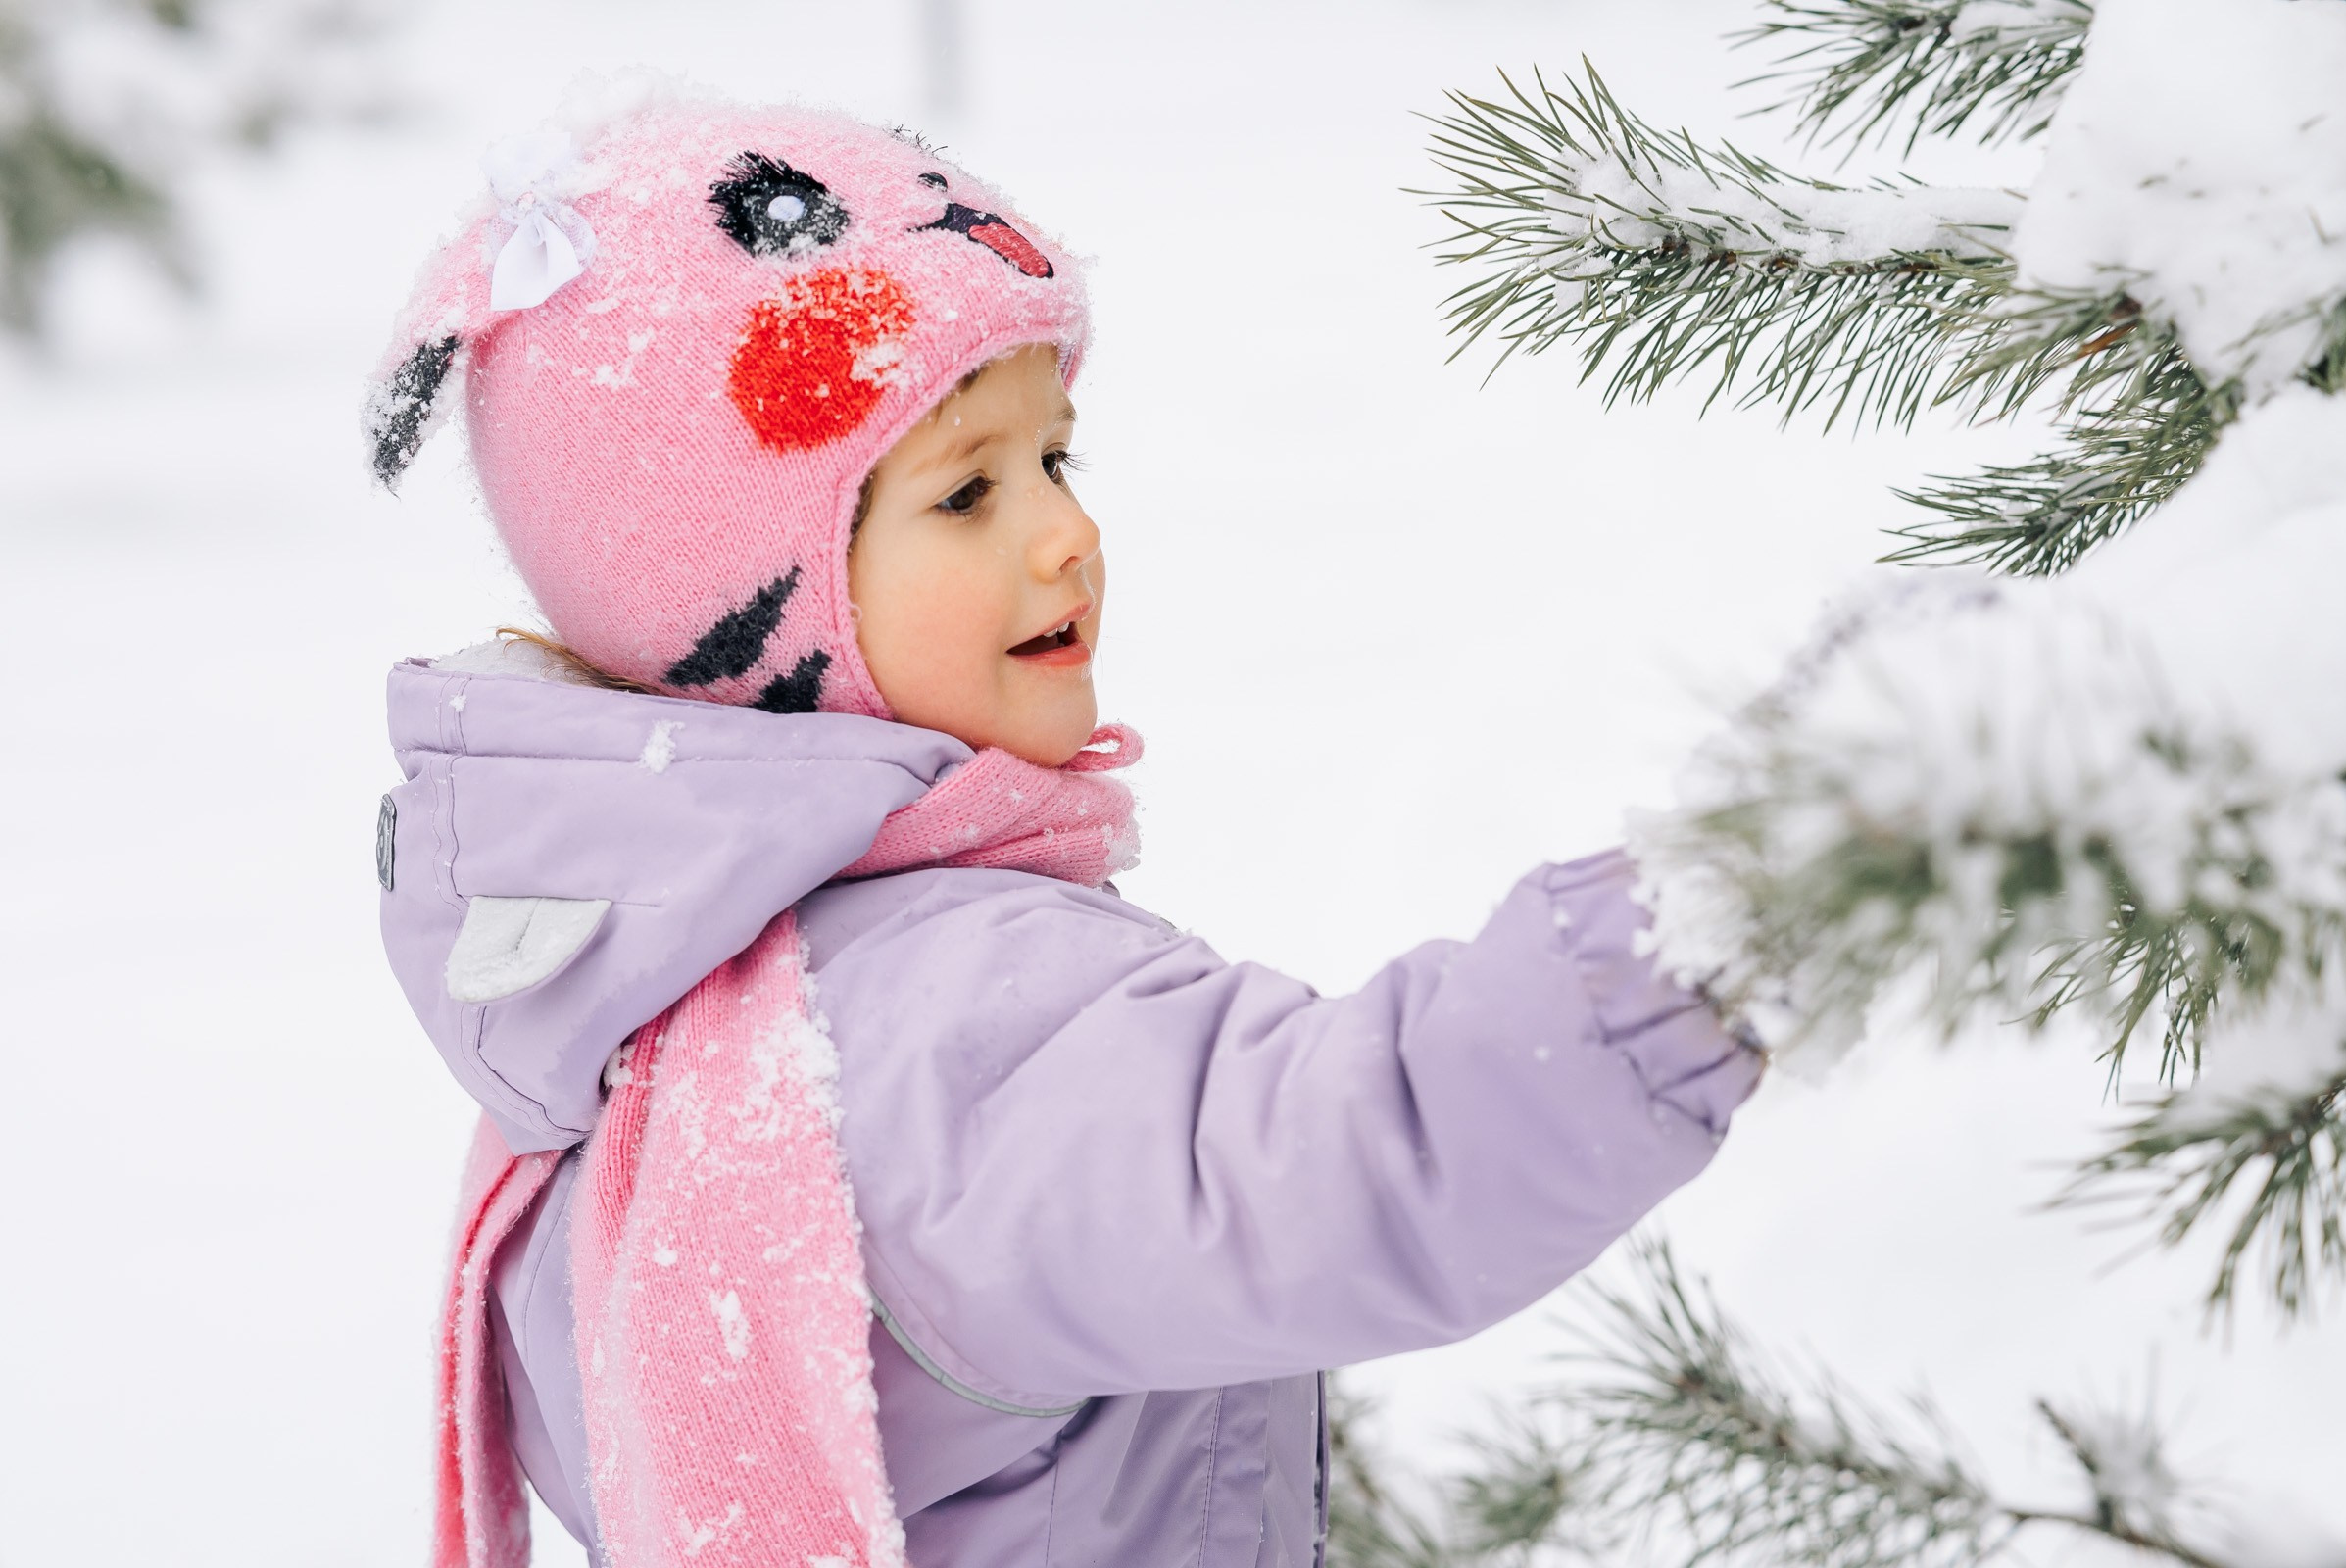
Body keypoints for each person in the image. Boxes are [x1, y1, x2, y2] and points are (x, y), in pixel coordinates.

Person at [371, 85, 1764, 1568]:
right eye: (966, 490)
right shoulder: (931, 1029)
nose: (1066, 534)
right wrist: (1733, 908)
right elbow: (1324, 1163)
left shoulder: (642, 983)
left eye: (1057, 459)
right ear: (717, 607)